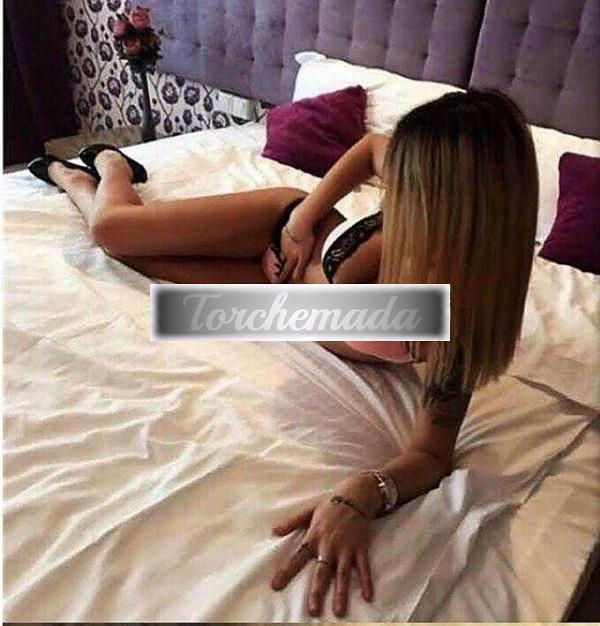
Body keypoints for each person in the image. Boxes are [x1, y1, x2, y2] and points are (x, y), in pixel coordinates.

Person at [28, 89, 538, 617]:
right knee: (111, 234)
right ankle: (106, 167)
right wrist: (301, 222)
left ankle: (94, 182)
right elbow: (370, 149)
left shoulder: (462, 317)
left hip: (281, 299)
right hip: (277, 228)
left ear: (453, 205)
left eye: (408, 189)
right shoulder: (410, 198)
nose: (394, 197)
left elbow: (431, 453)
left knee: (148, 270)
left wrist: (361, 493)